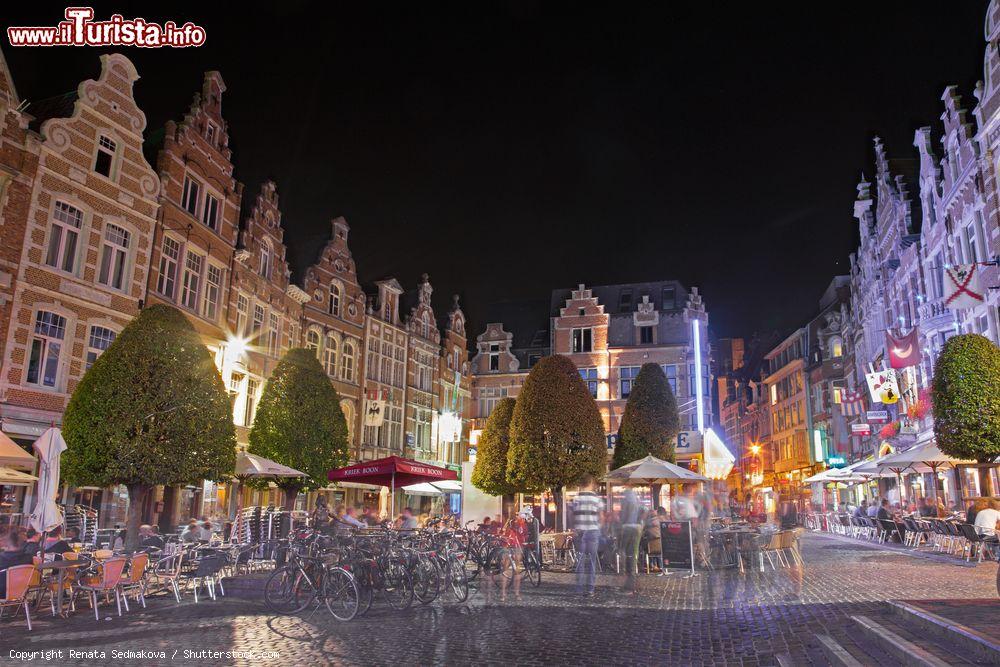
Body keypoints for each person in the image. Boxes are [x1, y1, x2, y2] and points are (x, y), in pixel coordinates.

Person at [571, 475, 604, 597]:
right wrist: (598, 527)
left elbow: (572, 515)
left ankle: (579, 589)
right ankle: (590, 589)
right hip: (592, 531)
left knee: (579, 561)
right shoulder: (596, 499)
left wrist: (574, 527)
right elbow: (601, 516)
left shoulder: (576, 498)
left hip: (580, 532)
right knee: (592, 561)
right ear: (590, 483)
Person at [0, 527, 34, 598]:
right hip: (24, 592)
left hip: (3, 593)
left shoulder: (2, 558)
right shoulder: (29, 558)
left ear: (7, 543)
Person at [619, 488, 642, 594]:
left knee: (628, 556)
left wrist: (622, 525)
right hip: (636, 529)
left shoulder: (627, 501)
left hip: (629, 528)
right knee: (632, 556)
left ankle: (629, 586)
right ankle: (632, 584)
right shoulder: (636, 501)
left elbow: (625, 516)